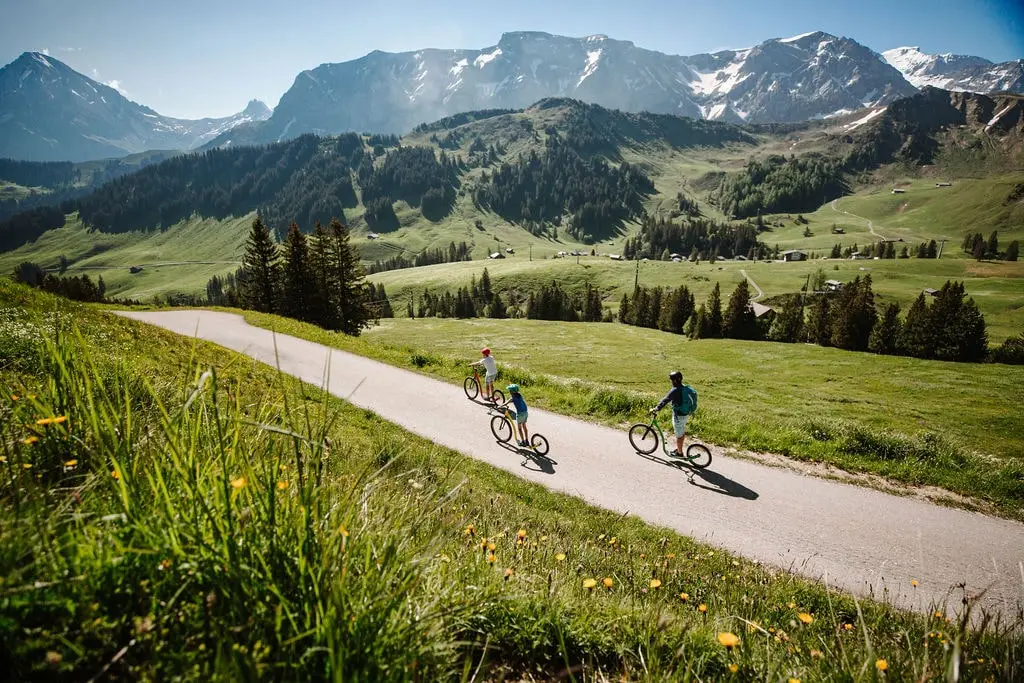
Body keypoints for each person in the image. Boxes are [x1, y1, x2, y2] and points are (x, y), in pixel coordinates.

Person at [650, 370, 691, 457]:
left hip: (679, 416)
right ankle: (679, 449)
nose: (671, 382)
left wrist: (656, 408)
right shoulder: (684, 387)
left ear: (675, 380)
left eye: (671, 380)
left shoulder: (675, 390)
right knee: (681, 432)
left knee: (679, 435)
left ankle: (679, 453)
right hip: (686, 414)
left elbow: (665, 400)